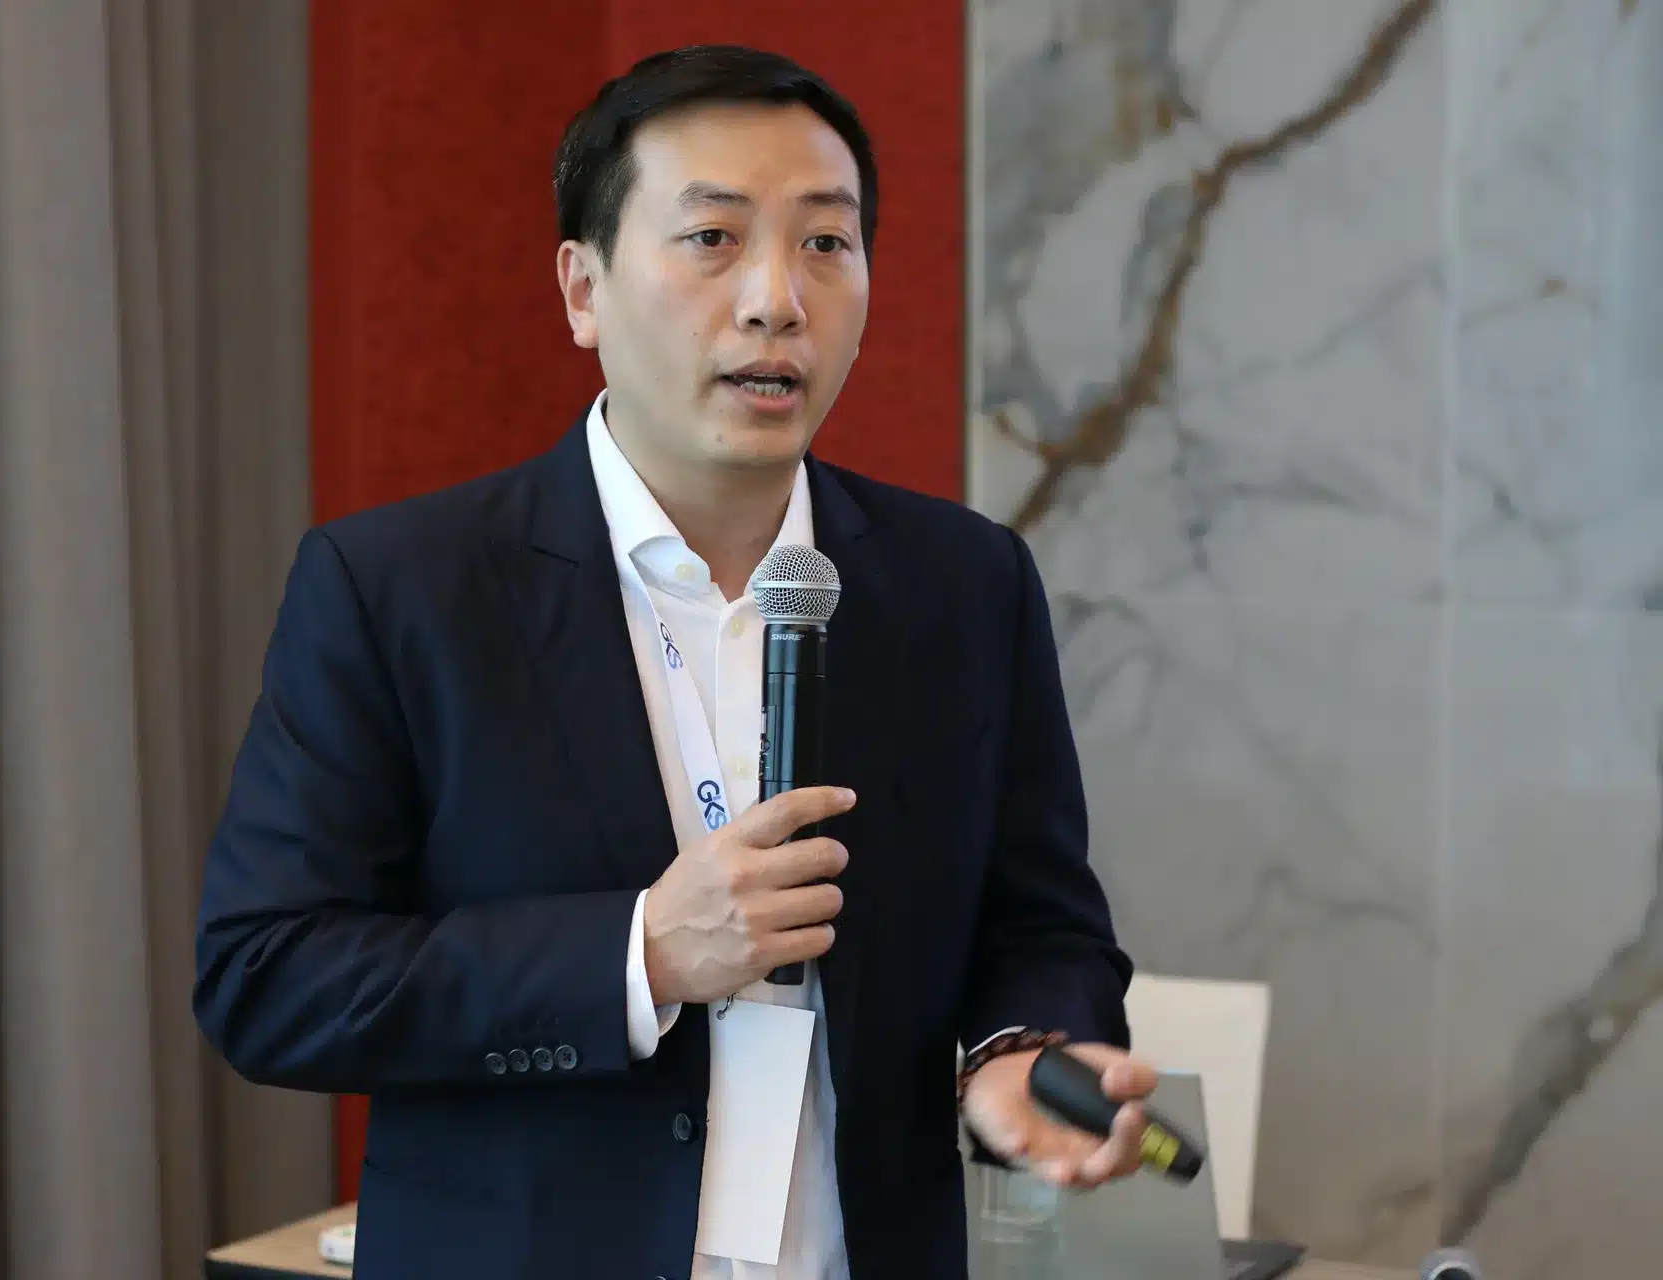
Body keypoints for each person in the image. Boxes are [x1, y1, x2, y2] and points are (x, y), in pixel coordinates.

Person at [193, 44, 1157, 1280]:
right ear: (582, 288)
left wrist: (1020, 1048)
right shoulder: (400, 589)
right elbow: (268, 975)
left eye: (826, 241)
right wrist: (639, 951)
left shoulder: (963, 584)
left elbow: (1042, 924)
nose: (777, 299)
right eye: (712, 239)